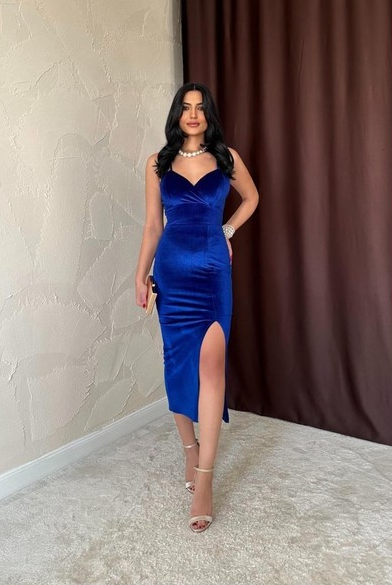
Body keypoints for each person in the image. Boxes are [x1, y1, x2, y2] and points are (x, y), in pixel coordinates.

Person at [135, 82, 259, 532]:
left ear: (208, 115)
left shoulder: (226, 158)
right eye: (186, 107)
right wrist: (140, 274)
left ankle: (205, 478)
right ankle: (190, 451)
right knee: (176, 366)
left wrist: (227, 230)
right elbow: (153, 225)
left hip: (212, 274)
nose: (193, 114)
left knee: (211, 367)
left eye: (200, 107)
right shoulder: (157, 162)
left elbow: (252, 198)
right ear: (177, 114)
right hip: (171, 273)